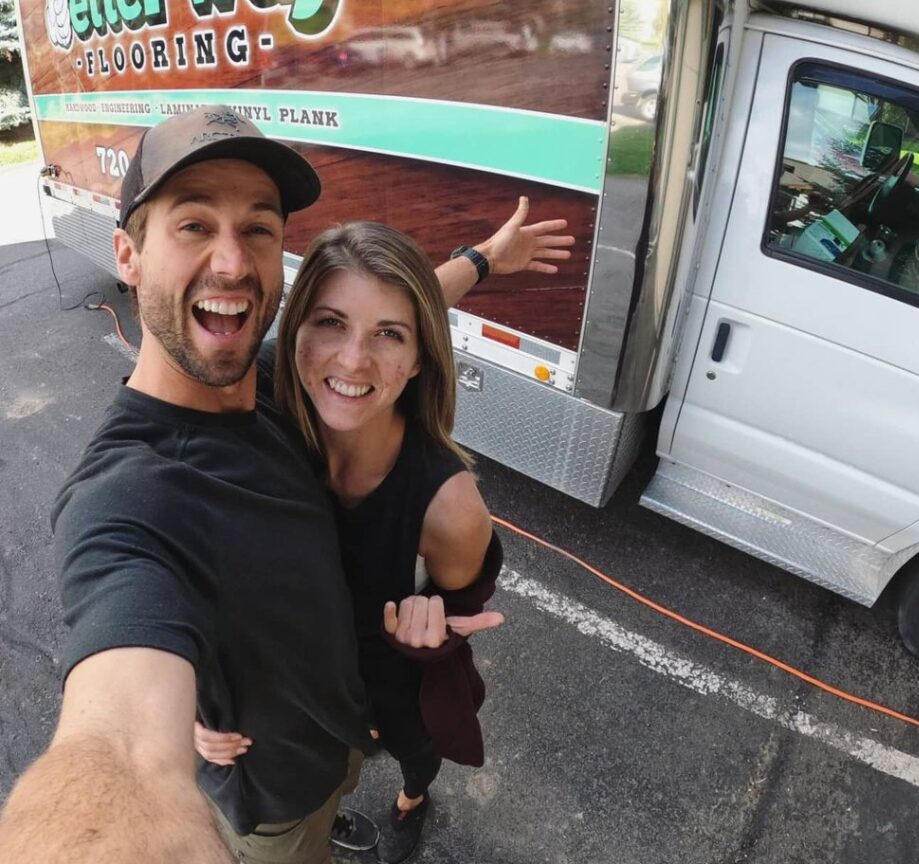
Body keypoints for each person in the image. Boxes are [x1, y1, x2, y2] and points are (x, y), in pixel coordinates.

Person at [0, 105, 574, 864]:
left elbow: (387, 308)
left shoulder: (273, 380)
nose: (233, 263)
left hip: (340, 735)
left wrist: (485, 258)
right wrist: (167, 738)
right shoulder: (134, 494)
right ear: (127, 255)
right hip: (274, 798)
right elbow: (123, 743)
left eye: (259, 228)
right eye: (194, 225)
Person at [196, 222, 507, 862]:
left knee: (411, 750)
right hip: (292, 699)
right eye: (329, 324)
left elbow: (461, 604)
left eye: (388, 336)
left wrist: (434, 633)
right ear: (296, 333)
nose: (352, 360)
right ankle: (330, 810)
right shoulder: (262, 399)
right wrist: (185, 701)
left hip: (379, 677)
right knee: (329, 780)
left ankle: (416, 795)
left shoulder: (449, 505)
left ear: (420, 356)